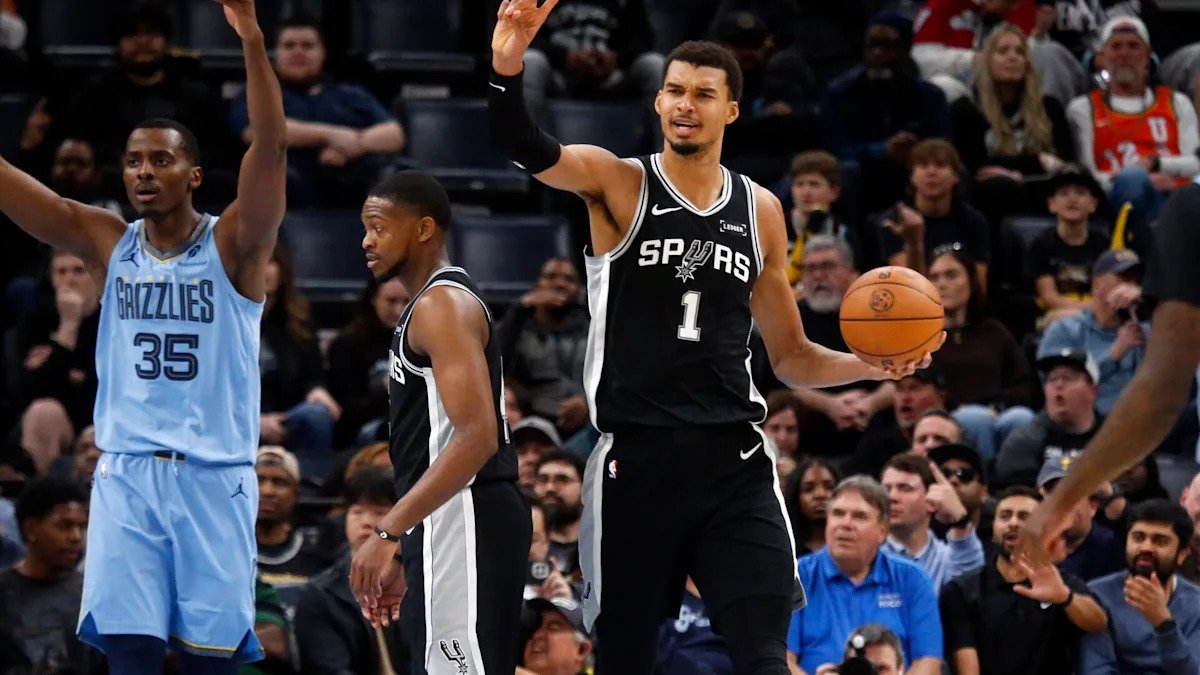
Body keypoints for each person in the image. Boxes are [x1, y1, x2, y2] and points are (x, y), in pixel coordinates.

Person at [489, 3, 940, 672]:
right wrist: (506, 63)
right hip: (637, 458)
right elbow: (526, 145)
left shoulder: (760, 209)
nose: (685, 104)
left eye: (703, 94)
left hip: (734, 459)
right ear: (658, 101)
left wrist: (876, 362)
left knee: (763, 652)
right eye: (674, 90)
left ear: (731, 109)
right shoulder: (619, 181)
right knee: (625, 657)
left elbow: (791, 356)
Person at [0, 0, 288, 671]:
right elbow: (24, 197)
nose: (143, 172)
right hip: (127, 474)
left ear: (194, 175)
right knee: (129, 655)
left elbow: (271, 149)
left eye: (160, 159)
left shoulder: (233, 244)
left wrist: (251, 39)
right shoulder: (109, 240)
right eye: (132, 161)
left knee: (212, 660)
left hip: (214, 477)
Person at [347, 171, 530, 675]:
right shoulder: (430, 304)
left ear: (424, 229)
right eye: (365, 228)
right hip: (451, 516)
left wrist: (387, 533)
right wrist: (414, 544)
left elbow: (476, 437)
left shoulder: (441, 305)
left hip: (467, 510)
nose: (366, 241)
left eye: (379, 227)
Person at [1020, 173, 1200, 562]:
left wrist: (1059, 503)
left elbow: (1161, 395)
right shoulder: (1069, 328)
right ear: (1095, 283)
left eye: (1134, 277)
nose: (1126, 285)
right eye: (1118, 277)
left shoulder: (1191, 209)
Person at [937, 486, 1108, 675]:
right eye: (1005, 516)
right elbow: (966, 665)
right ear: (993, 526)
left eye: (1025, 517)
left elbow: (1098, 623)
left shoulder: (1061, 582)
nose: (1013, 523)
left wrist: (1064, 597)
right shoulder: (961, 590)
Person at [1080, 499, 1200, 673]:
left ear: (1181, 554)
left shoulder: (1196, 604)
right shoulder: (1097, 595)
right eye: (1138, 537)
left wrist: (1163, 623)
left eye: (1160, 541)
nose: (1146, 547)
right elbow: (1096, 669)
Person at [0, 477, 102, 675]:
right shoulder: (3, 593)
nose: (76, 537)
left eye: (82, 527)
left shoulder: (92, 596)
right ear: (31, 529)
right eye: (64, 525)